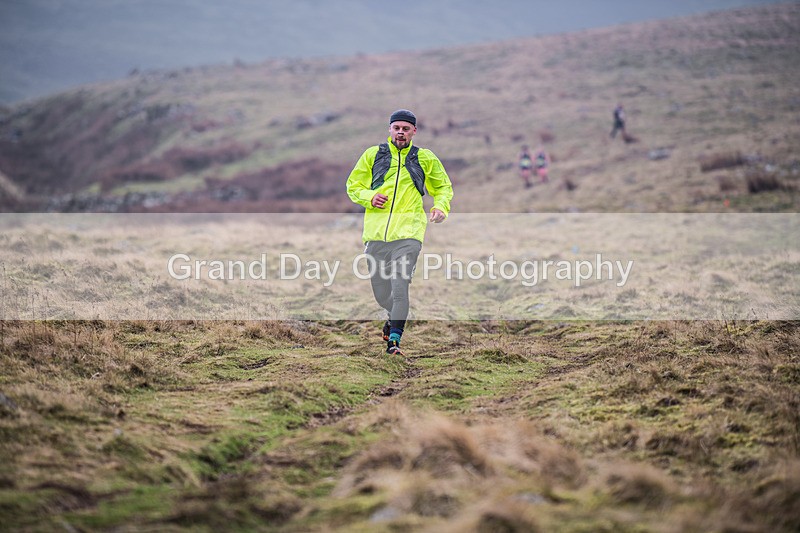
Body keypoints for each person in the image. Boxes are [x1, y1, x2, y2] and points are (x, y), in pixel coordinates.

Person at [346, 109, 454, 356]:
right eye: (397, 128)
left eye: (406, 129)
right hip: (376, 237)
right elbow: (353, 186)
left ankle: (394, 342)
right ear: (390, 130)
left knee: (400, 287)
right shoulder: (373, 155)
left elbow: (443, 187)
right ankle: (393, 316)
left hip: (409, 235)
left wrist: (440, 206)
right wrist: (370, 196)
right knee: (382, 293)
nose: (401, 133)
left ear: (414, 131)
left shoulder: (424, 158)